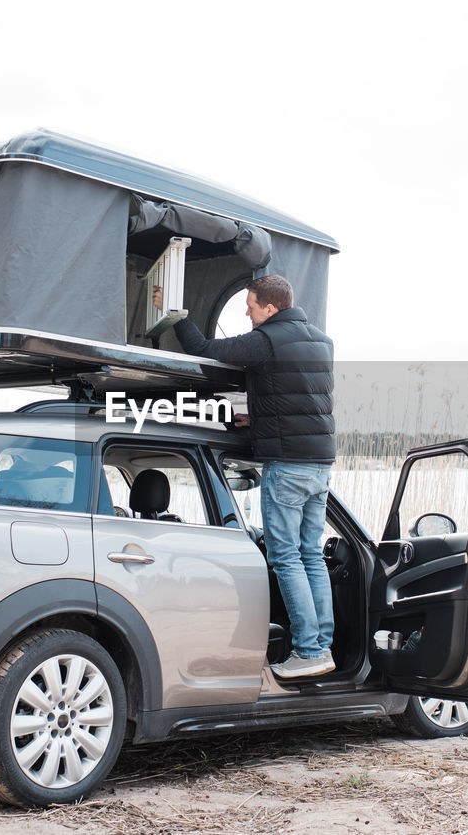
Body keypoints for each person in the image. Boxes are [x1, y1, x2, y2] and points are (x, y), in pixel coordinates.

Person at [165, 275, 336, 679]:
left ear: (271, 309)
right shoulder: (322, 342)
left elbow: (204, 349)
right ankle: (322, 647)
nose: (247, 312)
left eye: (251, 305)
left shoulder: (267, 339)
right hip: (320, 464)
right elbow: (297, 398)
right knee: (311, 555)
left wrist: (175, 316)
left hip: (288, 465)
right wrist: (257, 417)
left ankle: (309, 651)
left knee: (285, 558)